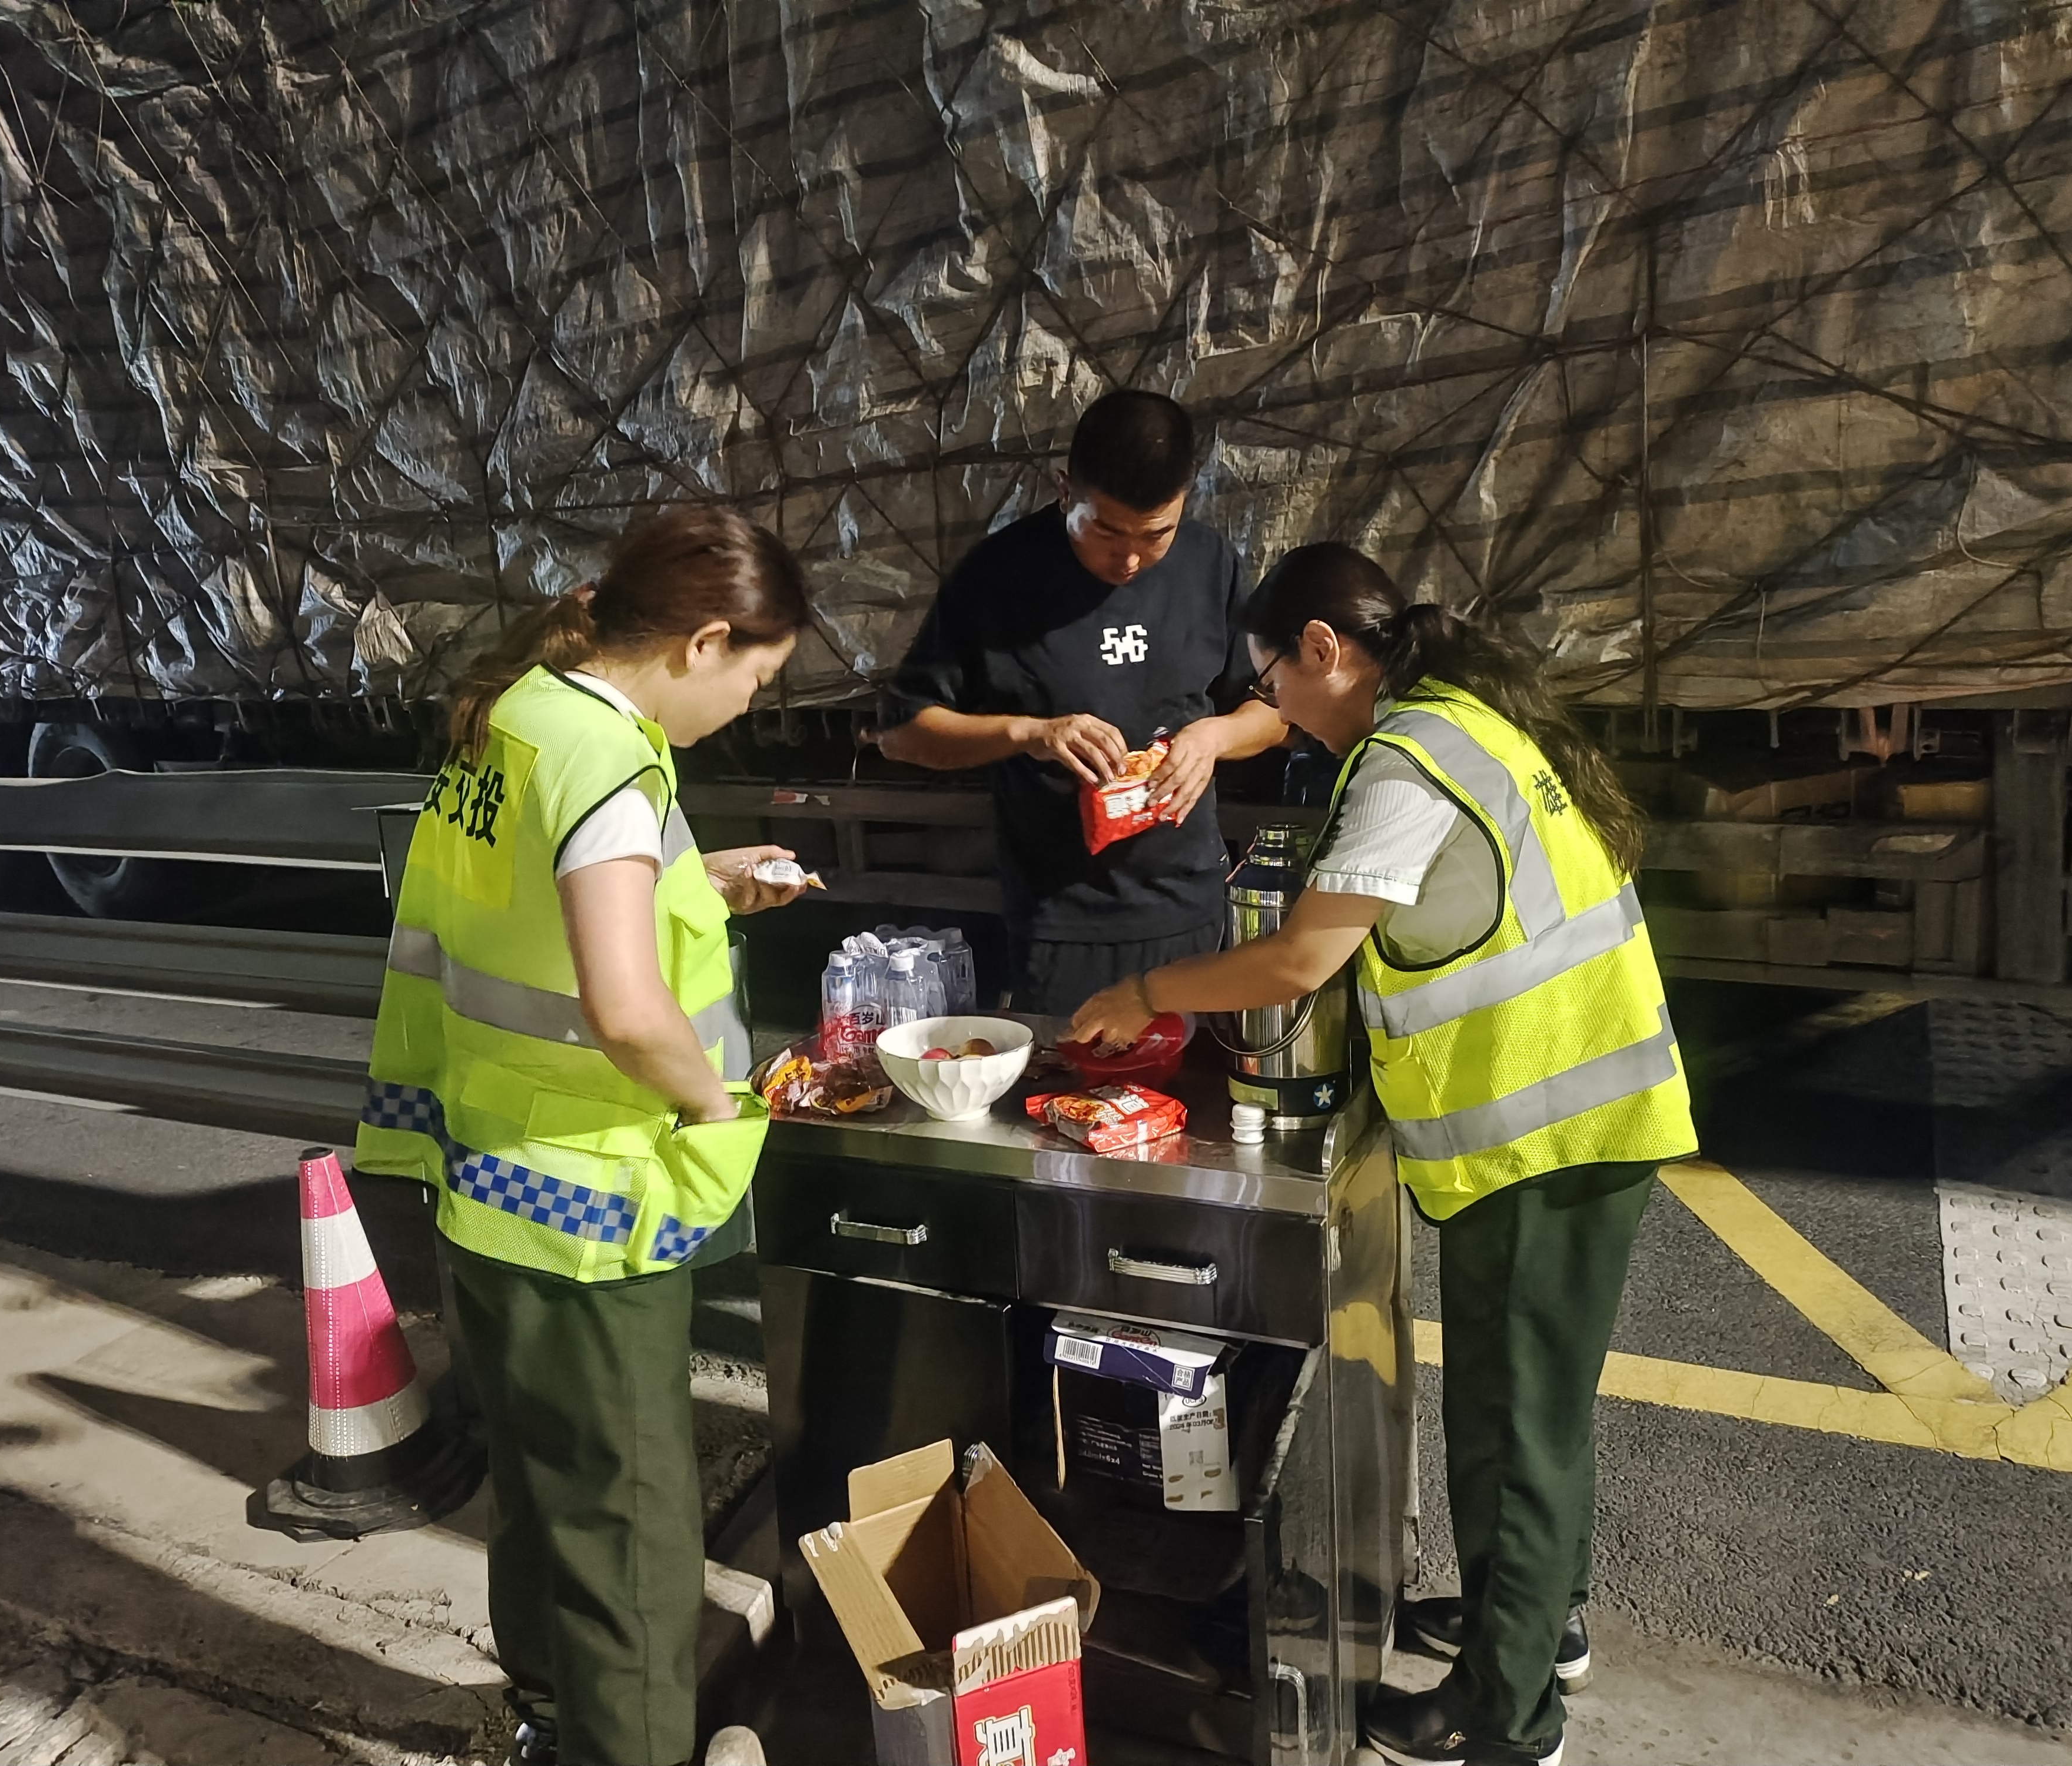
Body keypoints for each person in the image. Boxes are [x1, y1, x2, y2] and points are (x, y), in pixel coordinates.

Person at [1068, 544, 1697, 1766]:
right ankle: (1538, 1624)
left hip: (1538, 1135)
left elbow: (1300, 961)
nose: (1268, 705)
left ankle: (1506, 1720)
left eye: (1267, 677)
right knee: (1543, 1416)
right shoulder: (1458, 717)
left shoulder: (1404, 763)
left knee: (1509, 1434)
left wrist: (1140, 987)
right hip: (1588, 1114)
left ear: (1320, 649)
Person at [354, 506, 811, 1766]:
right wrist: (717, 1107)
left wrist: (694, 878)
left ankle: (552, 1721)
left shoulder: (516, 714)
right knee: (628, 1529)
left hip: (485, 1179)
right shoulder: (611, 759)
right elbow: (619, 1003)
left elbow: (530, 914)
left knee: (542, 1491)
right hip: (590, 1210)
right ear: (703, 641)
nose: (746, 706)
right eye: (754, 680)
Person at [879, 389, 1288, 1015]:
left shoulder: (1210, 563)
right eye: (1105, 530)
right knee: (1075, 1099)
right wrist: (1028, 733)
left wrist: (1213, 738)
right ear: (1065, 489)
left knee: (1189, 1101)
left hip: (1190, 903)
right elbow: (904, 733)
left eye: (1156, 535)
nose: (1128, 558)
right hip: (1063, 918)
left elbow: (1274, 710)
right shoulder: (997, 576)